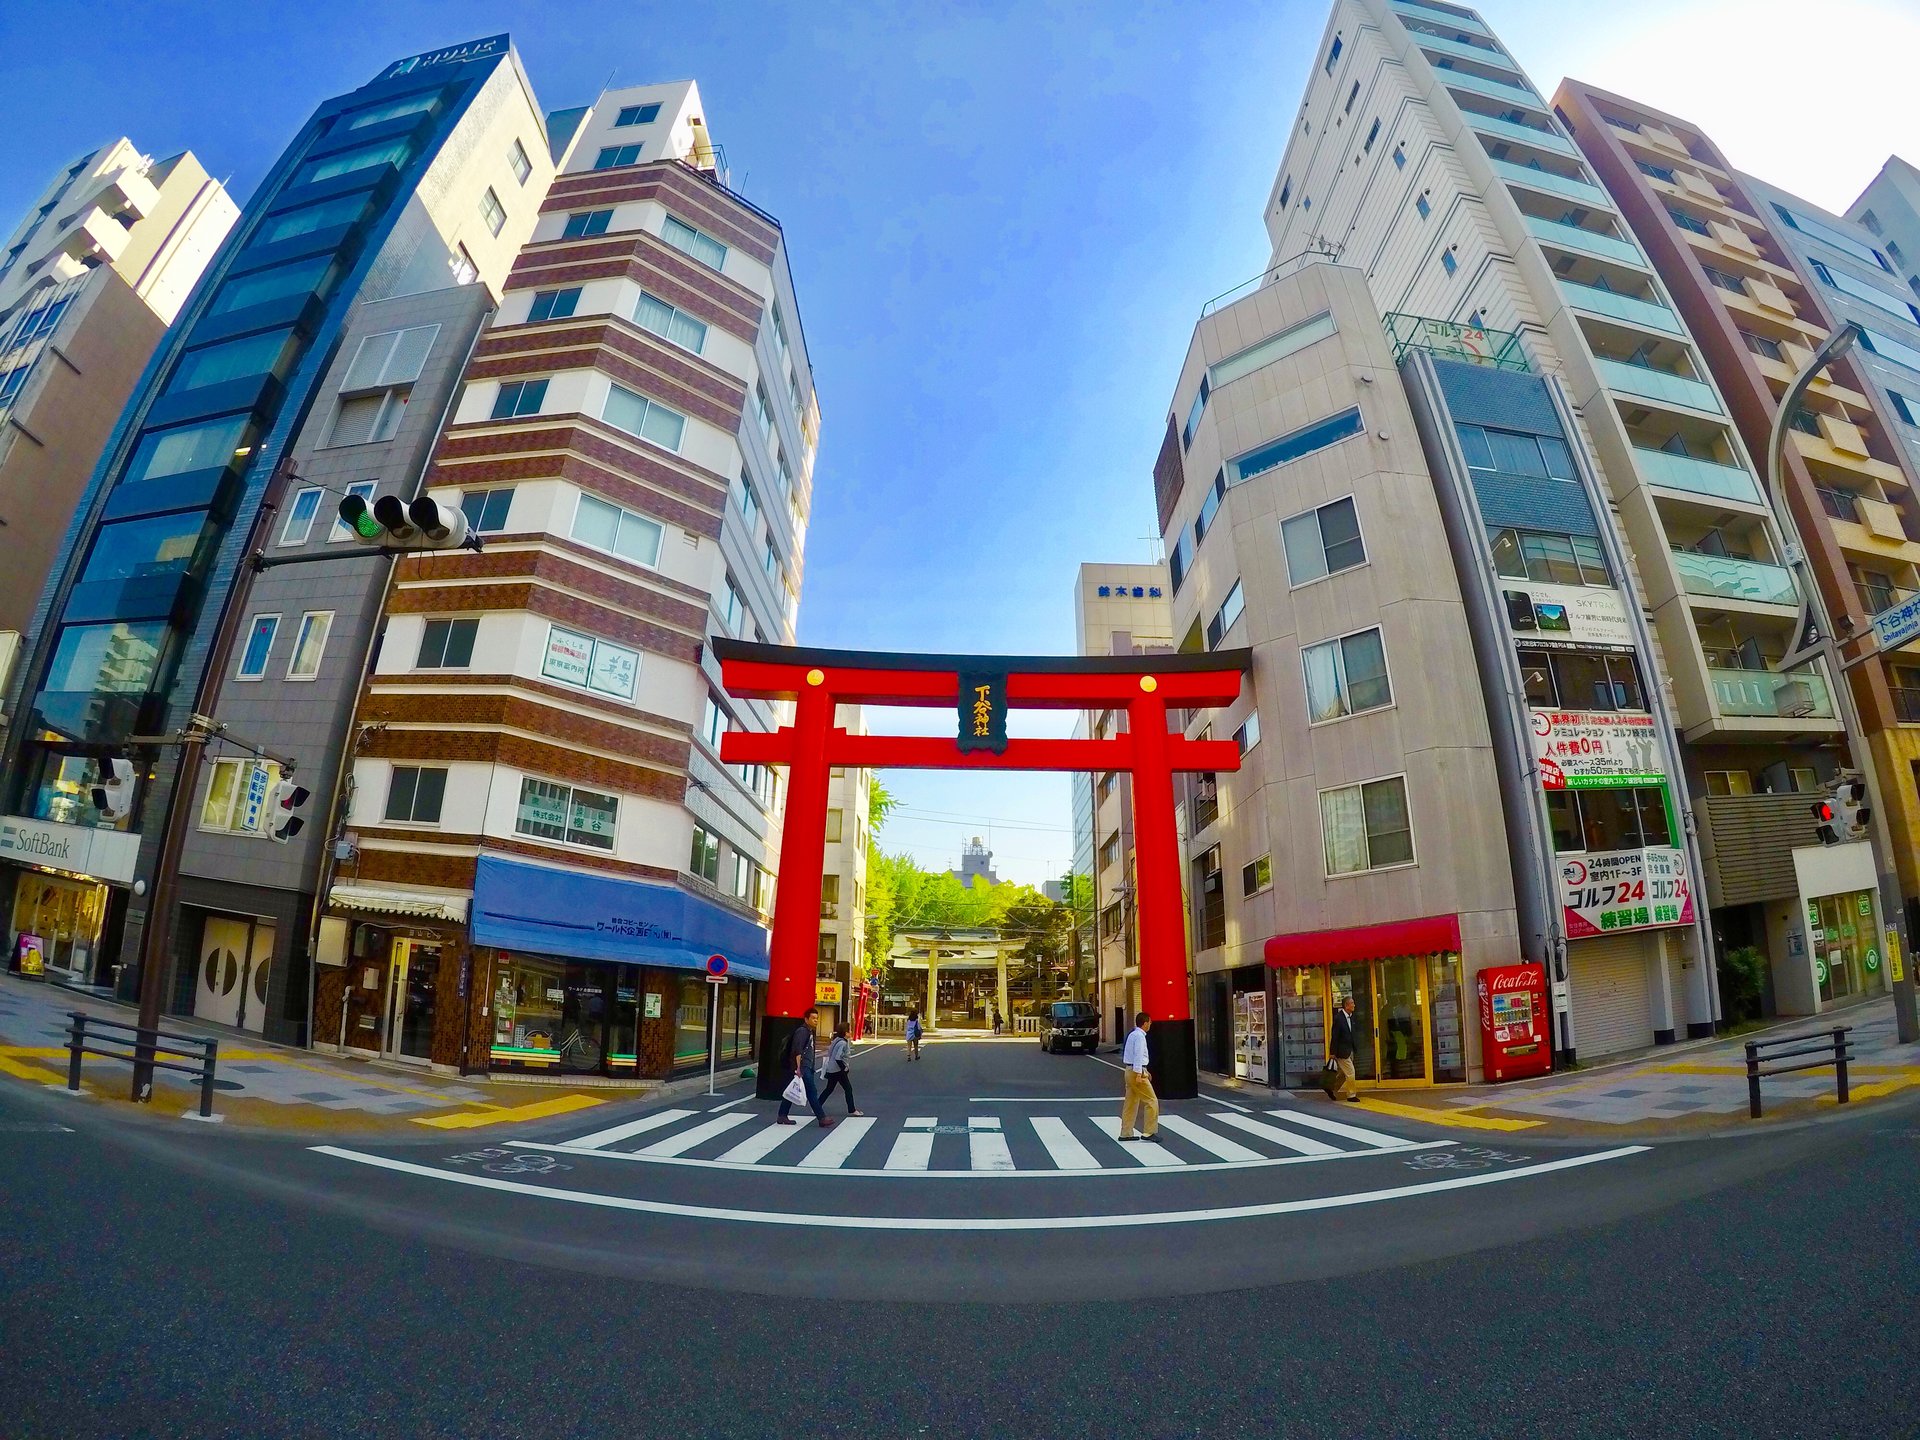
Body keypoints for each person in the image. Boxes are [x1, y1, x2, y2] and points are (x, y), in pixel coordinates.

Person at [776, 1006, 832, 1128]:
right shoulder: (802, 1031)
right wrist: (799, 1068)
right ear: (806, 1019)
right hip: (802, 1067)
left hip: (806, 1066)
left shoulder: (809, 1031)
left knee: (793, 1089)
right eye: (813, 1018)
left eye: (817, 1018)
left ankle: (782, 1115)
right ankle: (821, 1118)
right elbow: (797, 1050)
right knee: (811, 1092)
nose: (816, 1020)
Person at [1118, 1011, 1159, 1141]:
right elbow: (1138, 1055)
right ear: (1145, 1023)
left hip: (1129, 1070)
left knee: (1131, 1102)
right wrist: (1140, 1073)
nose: (1150, 1024)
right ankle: (1149, 1132)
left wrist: (1143, 1070)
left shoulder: (1132, 1034)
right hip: (1136, 1071)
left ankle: (1126, 1132)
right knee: (1151, 1100)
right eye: (1150, 1022)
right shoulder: (1140, 1036)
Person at [817, 1023, 863, 1116]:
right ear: (846, 1033)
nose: (851, 1032)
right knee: (848, 1089)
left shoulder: (836, 1040)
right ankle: (852, 1109)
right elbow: (838, 1057)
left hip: (831, 1069)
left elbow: (830, 1052)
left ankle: (816, 1107)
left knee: (829, 1089)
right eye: (850, 1030)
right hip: (838, 1070)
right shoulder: (843, 1043)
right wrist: (844, 1068)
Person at [1329, 994, 1360, 1102]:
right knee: (1351, 1072)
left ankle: (1331, 1089)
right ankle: (1351, 1095)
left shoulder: (1352, 1017)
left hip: (1350, 1049)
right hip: (1342, 1051)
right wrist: (1332, 1052)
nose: (1354, 1005)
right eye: (1352, 1003)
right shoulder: (1339, 1018)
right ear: (1346, 1005)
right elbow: (1335, 1035)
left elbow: (1352, 1033)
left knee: (1343, 1073)